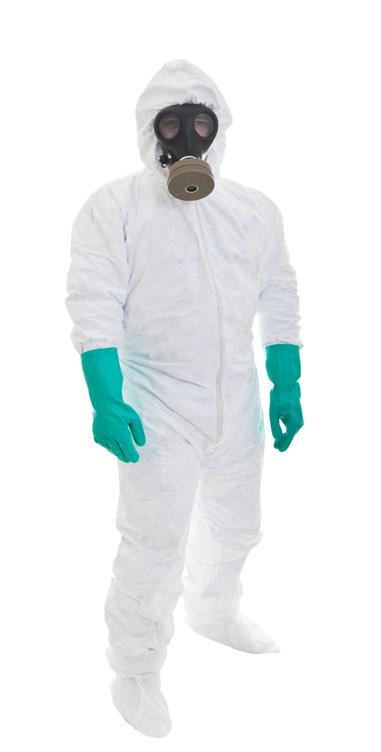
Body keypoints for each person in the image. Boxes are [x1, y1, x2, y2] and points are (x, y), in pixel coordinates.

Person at [66, 58, 304, 737]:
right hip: (156, 404)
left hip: (237, 403)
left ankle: (213, 610)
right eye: (172, 125)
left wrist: (285, 381)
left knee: (237, 525)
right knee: (154, 541)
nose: (189, 138)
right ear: (150, 131)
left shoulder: (253, 211)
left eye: (201, 123)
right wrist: (105, 397)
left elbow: (278, 293)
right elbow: (94, 303)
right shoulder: (115, 207)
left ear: (219, 129)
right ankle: (134, 669)